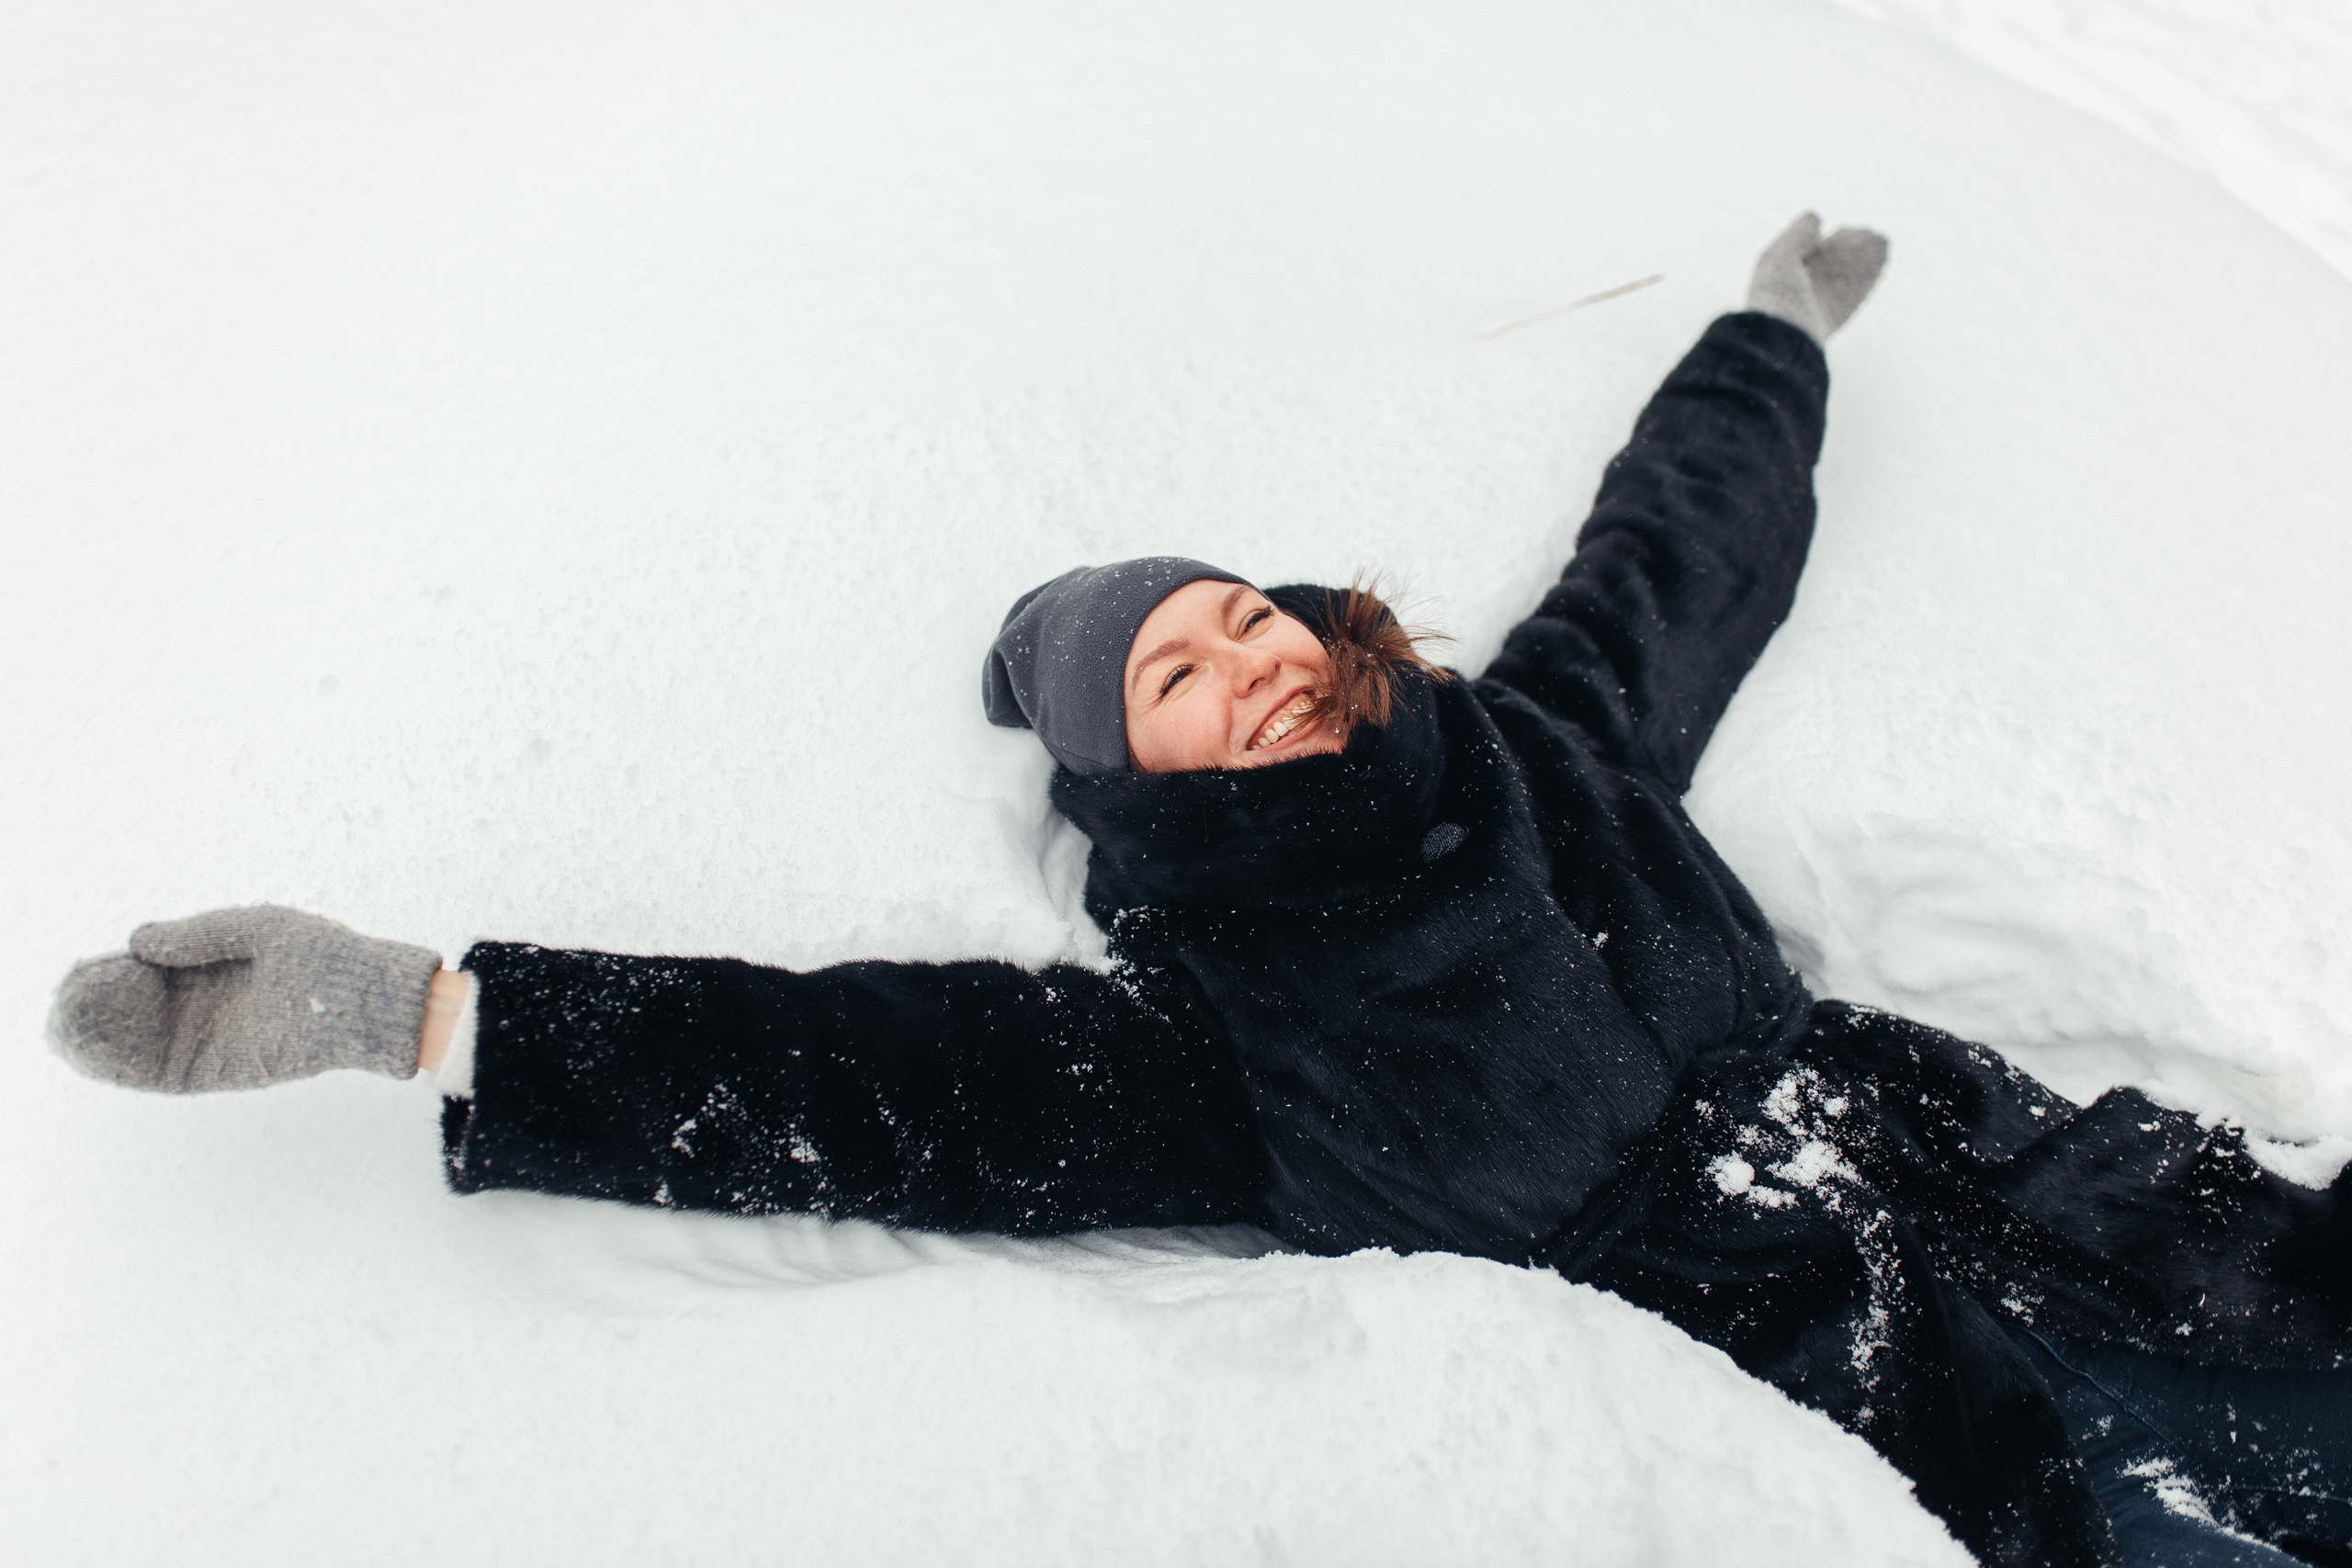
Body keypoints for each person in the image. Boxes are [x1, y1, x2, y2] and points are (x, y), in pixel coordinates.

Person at [49, 215, 2351, 1568]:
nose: (1242, 658)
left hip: (2055, 1178)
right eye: (1175, 667)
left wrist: (1766, 335)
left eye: (1243, 615)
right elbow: (842, 1079)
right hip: (1908, 1393)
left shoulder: (1530, 741)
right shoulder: (1203, 1027)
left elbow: (1680, 551)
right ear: (1118, 767)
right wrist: (410, 1004)